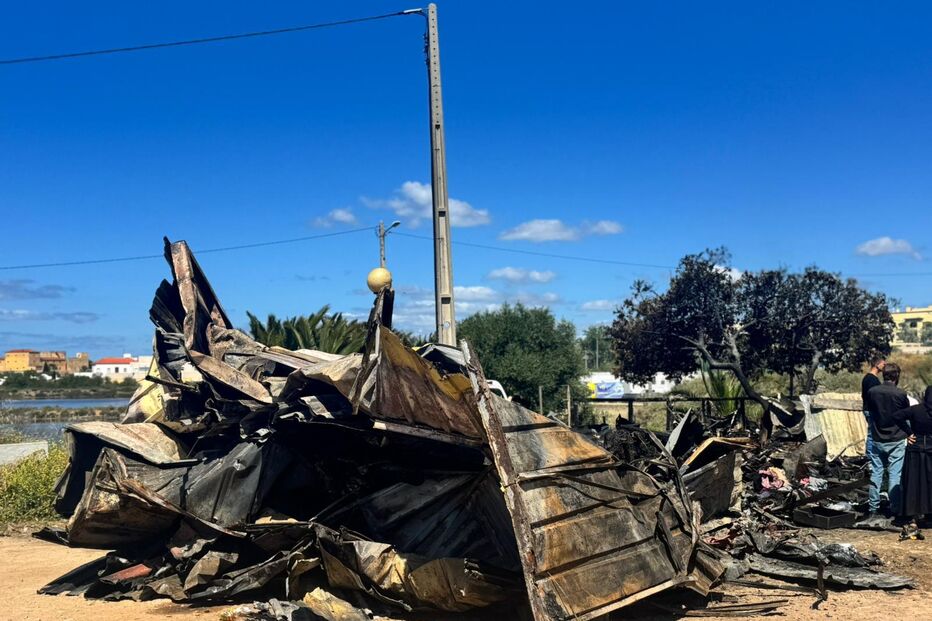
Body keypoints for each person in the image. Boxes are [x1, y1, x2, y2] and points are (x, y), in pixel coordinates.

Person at [882, 386, 932, 540]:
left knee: (914, 484)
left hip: (915, 449)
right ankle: (929, 516)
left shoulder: (916, 410)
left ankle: (913, 517)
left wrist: (908, 433)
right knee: (929, 483)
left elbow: (896, 416)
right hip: (930, 450)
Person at [866, 362, 910, 519]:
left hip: (878, 438)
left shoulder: (872, 392)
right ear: (896, 376)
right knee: (894, 475)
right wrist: (909, 433)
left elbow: (870, 413)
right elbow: (905, 416)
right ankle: (895, 508)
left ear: (883, 374)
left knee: (876, 473)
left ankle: (873, 509)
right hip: (896, 438)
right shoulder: (900, 394)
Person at [861, 355, 886, 455]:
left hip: (869, 409)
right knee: (872, 434)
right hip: (871, 410)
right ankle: (870, 458)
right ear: (877, 364)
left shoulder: (869, 378)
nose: (885, 366)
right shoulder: (871, 380)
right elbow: (872, 397)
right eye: (883, 364)